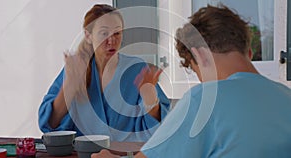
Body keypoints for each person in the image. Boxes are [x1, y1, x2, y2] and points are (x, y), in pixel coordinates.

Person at [91, 4, 291, 158]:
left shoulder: (204, 99)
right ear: (248, 52)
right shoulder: (286, 96)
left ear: (200, 55)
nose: (201, 81)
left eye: (196, 71)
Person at [38, 4, 170, 142]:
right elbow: (49, 124)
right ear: (88, 36)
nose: (112, 40)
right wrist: (70, 86)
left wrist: (150, 100)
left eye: (117, 33)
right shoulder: (76, 68)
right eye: (104, 33)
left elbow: (161, 129)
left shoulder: (136, 69)